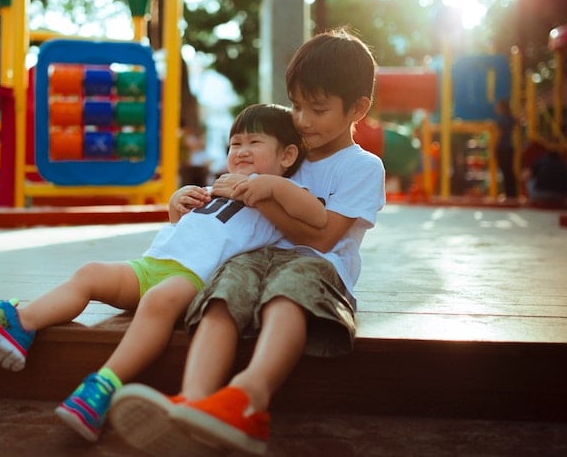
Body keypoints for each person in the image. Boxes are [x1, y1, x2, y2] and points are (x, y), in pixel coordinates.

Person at [0, 103, 326, 443]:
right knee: (91, 272)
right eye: (234, 144)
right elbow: (192, 226)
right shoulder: (220, 186)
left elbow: (315, 215)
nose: (240, 151)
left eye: (254, 143)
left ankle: (102, 387)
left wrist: (266, 185)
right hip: (151, 265)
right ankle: (21, 323)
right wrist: (178, 204)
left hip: (194, 279)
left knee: (159, 301)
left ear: (288, 155)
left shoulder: (280, 195)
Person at [109, 29, 386, 455]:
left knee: (287, 293)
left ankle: (247, 398)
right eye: (296, 106)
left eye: (318, 109)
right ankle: (195, 402)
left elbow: (326, 236)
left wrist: (265, 190)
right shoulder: (287, 150)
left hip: (319, 267)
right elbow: (236, 209)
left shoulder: (362, 167)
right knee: (222, 291)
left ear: (358, 109)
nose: (303, 120)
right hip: (256, 257)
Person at [494, 99, 518, 199]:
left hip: (502, 147)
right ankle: (512, 193)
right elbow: (518, 123)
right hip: (510, 147)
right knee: (509, 171)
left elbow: (499, 134)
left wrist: (494, 146)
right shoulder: (511, 118)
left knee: (505, 170)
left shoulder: (501, 119)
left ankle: (509, 194)